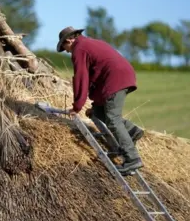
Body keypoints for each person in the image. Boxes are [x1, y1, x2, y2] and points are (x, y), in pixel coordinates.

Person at [56, 26, 145, 174]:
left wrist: (77, 106)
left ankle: (132, 159)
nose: (66, 51)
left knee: (113, 119)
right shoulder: (91, 43)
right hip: (121, 75)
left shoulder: (79, 49)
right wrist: (96, 105)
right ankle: (132, 131)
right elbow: (96, 76)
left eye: (64, 47)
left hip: (116, 78)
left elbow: (81, 78)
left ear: (69, 40)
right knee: (97, 112)